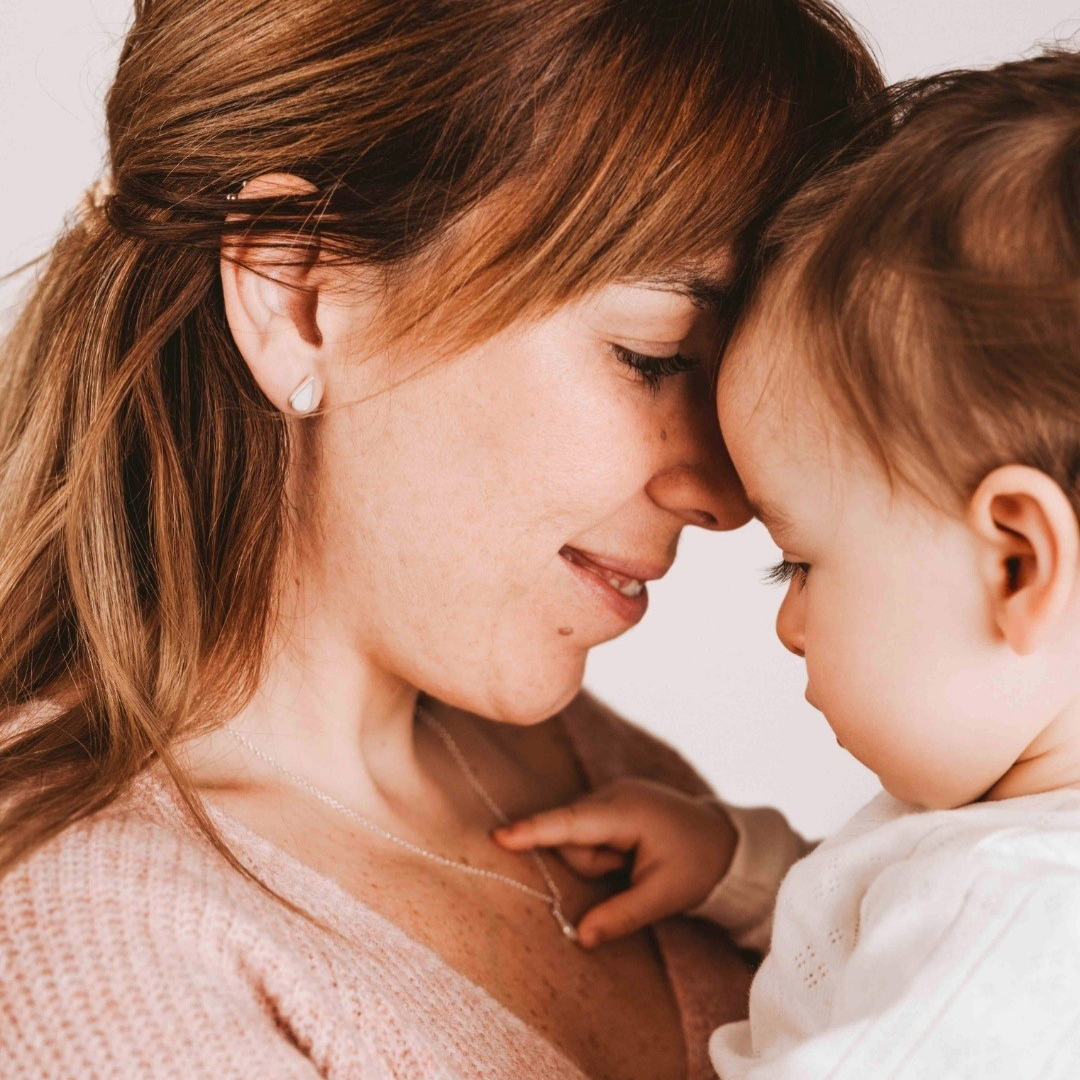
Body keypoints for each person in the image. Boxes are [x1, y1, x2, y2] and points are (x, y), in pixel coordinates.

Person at [0, 1, 882, 1078]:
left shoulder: (603, 780)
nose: (729, 497)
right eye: (651, 355)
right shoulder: (93, 953)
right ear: (301, 291)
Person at [495, 49, 1080, 1080]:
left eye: (799, 563)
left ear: (1018, 566)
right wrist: (744, 870)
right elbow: (887, 937)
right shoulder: (1005, 867)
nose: (789, 624)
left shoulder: (1020, 935)